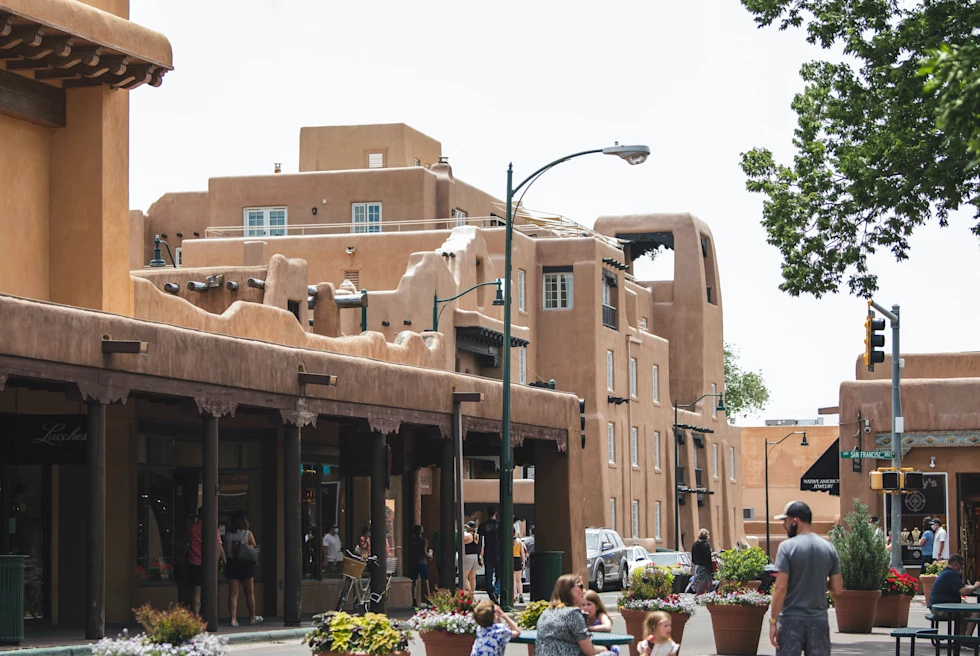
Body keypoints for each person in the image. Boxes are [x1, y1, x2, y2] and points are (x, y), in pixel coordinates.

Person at [769, 501, 842, 656]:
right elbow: (837, 589)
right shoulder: (829, 547)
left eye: (785, 521)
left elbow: (780, 587)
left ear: (795, 521)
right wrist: (820, 582)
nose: (784, 525)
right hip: (819, 620)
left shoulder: (786, 547)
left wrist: (773, 621)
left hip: (791, 620)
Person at [535, 574, 609, 656]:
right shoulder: (573, 613)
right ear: (568, 590)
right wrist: (604, 649)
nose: (584, 591)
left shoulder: (546, 612)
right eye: (580, 586)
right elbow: (589, 650)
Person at [223, 513, 263, 627]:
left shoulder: (228, 535)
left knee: (233, 593)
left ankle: (233, 619)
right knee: (249, 593)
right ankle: (252, 617)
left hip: (232, 564)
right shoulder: (247, 534)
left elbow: (226, 550)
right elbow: (254, 549)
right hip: (245, 565)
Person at [186, 507, 225, 616]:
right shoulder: (213, 529)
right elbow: (219, 546)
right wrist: (223, 561)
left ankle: (197, 615)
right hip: (208, 565)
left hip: (194, 562)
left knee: (196, 592)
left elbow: (188, 541)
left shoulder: (193, 528)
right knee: (209, 591)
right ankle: (209, 614)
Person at [928, 553, 980, 635]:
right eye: (962, 565)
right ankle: (966, 638)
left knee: (965, 608)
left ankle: (960, 638)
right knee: (975, 612)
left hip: (938, 605)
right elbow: (964, 591)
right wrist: (976, 585)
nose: (962, 568)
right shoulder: (951, 574)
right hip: (940, 609)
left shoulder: (946, 572)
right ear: (956, 564)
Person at [479, 505, 502, 603]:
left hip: (488, 553)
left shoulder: (483, 525)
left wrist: (479, 555)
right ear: (496, 513)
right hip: (499, 552)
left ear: (487, 513)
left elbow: (480, 542)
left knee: (488, 576)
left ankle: (491, 592)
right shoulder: (500, 524)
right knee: (500, 575)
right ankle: (496, 592)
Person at [685, 529, 714, 594]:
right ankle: (703, 597)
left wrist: (692, 567)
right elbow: (708, 558)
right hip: (705, 568)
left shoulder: (694, 544)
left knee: (699, 584)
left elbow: (692, 557)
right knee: (706, 585)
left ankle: (698, 596)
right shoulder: (706, 545)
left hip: (697, 567)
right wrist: (711, 569)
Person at [464, 522, 481, 594]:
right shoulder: (477, 536)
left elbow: (462, 539)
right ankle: (473, 592)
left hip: (468, 556)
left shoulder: (468, 535)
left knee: (464, 576)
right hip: (476, 557)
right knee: (473, 577)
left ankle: (469, 591)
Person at [513, 529, 529, 605]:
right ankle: (520, 594)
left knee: (512, 580)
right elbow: (522, 553)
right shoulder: (519, 541)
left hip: (510, 559)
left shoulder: (508, 540)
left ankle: (514, 595)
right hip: (517, 559)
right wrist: (523, 562)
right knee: (518, 580)